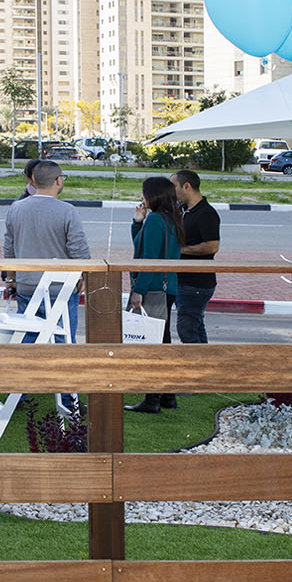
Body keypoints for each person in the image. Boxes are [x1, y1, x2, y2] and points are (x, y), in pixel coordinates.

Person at [1, 160, 90, 410]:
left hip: (27, 286)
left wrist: (12, 278)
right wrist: (84, 275)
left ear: (34, 180)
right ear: (58, 180)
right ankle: (68, 399)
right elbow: (79, 250)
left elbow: (9, 247)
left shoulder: (16, 209)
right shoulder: (67, 211)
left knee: (27, 342)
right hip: (60, 290)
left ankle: (17, 395)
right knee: (64, 345)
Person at [126, 176, 183, 413]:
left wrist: (138, 291)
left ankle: (152, 399)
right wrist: (137, 223)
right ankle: (167, 395)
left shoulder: (156, 220)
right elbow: (143, 247)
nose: (142, 197)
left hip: (153, 287)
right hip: (167, 287)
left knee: (153, 343)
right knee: (163, 340)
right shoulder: (171, 218)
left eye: (144, 193)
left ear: (154, 195)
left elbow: (147, 259)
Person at [172, 169, 220, 346]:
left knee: (186, 329)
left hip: (196, 282)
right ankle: (205, 358)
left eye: (174, 187)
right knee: (196, 326)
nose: (171, 192)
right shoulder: (183, 210)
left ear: (187, 186)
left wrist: (180, 251)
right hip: (184, 280)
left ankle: (196, 360)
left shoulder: (206, 213)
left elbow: (212, 246)